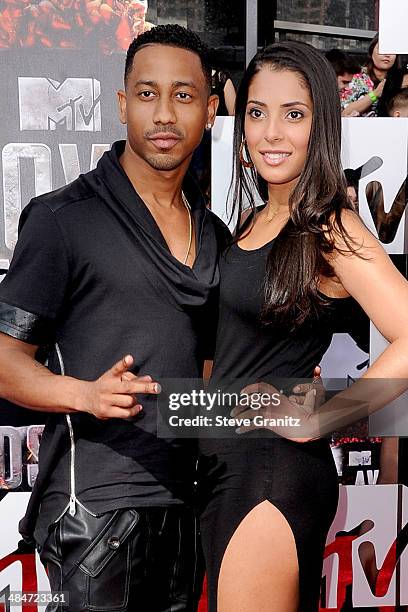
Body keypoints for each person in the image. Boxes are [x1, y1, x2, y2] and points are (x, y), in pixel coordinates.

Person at [0, 24, 227, 612]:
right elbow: (3, 364)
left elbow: (206, 369)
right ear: (123, 105)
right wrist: (86, 395)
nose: (164, 113)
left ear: (208, 109)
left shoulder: (215, 233)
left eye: (183, 95)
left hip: (186, 507)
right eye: (147, 94)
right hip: (94, 511)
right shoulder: (63, 219)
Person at [198, 41, 408, 612]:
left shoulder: (328, 227)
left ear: (320, 126)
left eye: (293, 114)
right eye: (258, 113)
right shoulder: (252, 221)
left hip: (270, 472)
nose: (271, 133)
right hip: (228, 468)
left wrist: (328, 416)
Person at [342, 33, 396, 117]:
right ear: (371, 51)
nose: (387, 55)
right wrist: (375, 94)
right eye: (382, 49)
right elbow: (345, 112)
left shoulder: (401, 79)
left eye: (392, 50)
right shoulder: (356, 78)